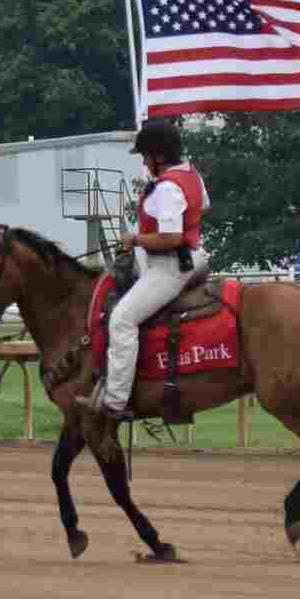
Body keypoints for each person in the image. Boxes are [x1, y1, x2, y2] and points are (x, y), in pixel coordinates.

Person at [75, 119, 210, 419]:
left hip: (168, 267)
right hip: (192, 256)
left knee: (122, 320)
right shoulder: (192, 176)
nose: (145, 163)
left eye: (145, 156)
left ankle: (115, 401)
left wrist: (135, 238)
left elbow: (171, 237)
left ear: (158, 156)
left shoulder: (167, 188)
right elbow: (204, 207)